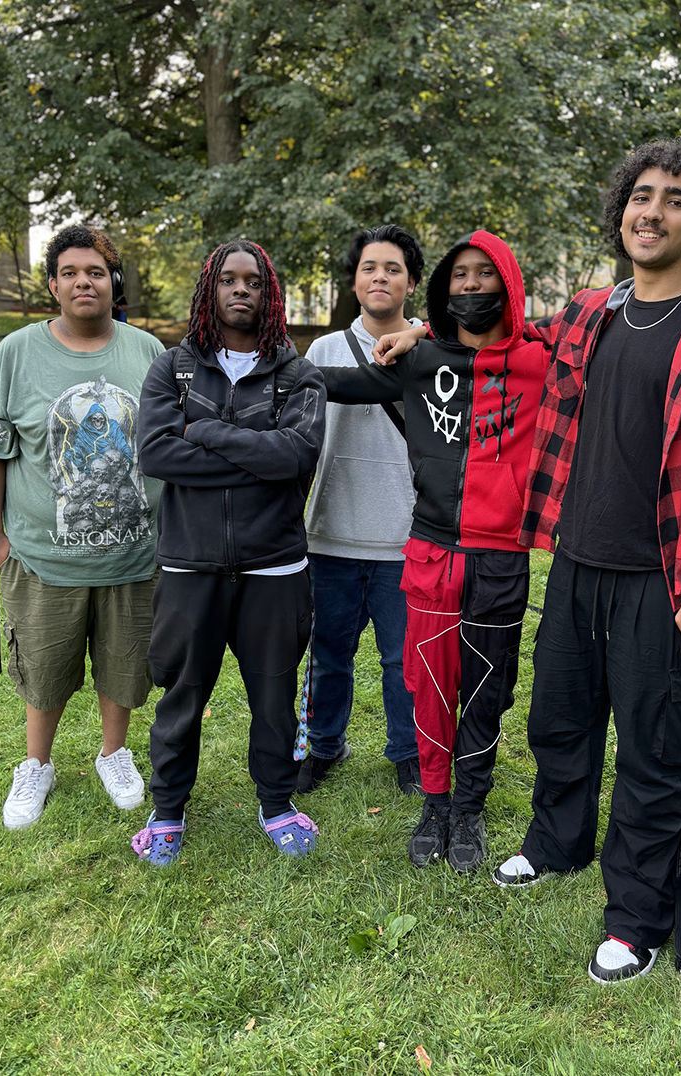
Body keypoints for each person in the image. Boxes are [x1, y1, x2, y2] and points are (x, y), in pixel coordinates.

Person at [489, 136, 681, 983]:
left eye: (676, 200)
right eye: (641, 196)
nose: (653, 212)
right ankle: (557, 842)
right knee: (559, 722)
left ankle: (636, 917)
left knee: (652, 750)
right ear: (623, 212)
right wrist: (415, 331)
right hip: (578, 563)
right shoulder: (593, 312)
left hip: (663, 579)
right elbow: (512, 332)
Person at [321, 231, 549, 872]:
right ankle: (435, 803)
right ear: (444, 288)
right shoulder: (419, 361)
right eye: (460, 275)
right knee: (429, 686)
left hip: (500, 555)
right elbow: (340, 383)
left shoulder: (542, 359)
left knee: (485, 690)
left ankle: (469, 808)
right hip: (430, 553)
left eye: (485, 273)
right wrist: (259, 367)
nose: (471, 285)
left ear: (508, 282)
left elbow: (601, 319)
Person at [132, 239, 326, 866]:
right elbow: (157, 454)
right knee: (181, 694)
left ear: (271, 294)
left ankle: (277, 803)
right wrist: (257, 457)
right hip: (189, 565)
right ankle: (167, 810)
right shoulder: (173, 369)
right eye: (228, 280)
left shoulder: (298, 375)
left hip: (275, 567)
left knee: (273, 696)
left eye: (254, 282)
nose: (241, 289)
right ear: (209, 289)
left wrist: (207, 432)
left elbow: (297, 455)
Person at [0, 225, 164, 829]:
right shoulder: (15, 354)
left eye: (96, 272)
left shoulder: (148, 353)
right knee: (44, 668)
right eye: (70, 273)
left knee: (124, 662)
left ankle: (114, 753)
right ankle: (36, 764)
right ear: (54, 285)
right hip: (42, 558)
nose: (84, 282)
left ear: (113, 282)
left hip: (132, 555)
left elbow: (169, 445)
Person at [298, 225, 424, 797]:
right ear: (354, 281)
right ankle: (323, 745)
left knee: (404, 662)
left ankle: (408, 753)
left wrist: (422, 334)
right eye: (370, 267)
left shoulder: (430, 352)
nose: (380, 277)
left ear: (411, 283)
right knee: (328, 656)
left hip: (407, 539)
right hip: (331, 536)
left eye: (393, 268)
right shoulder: (322, 352)